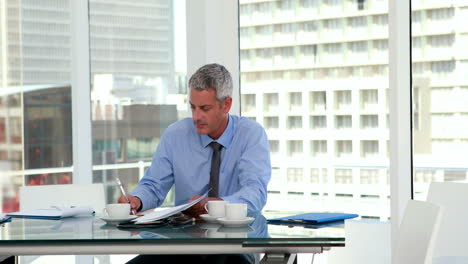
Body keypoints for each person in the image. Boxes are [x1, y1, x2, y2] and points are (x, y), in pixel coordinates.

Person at [118, 63, 271, 263]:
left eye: (205, 108)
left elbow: (255, 193)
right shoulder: (176, 134)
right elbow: (153, 185)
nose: (196, 116)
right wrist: (137, 199)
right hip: (181, 247)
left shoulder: (251, 134)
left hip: (234, 250)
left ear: (226, 104)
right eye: (193, 107)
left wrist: (216, 206)